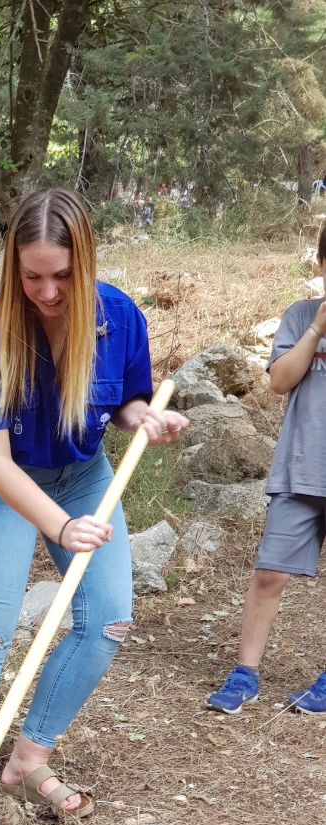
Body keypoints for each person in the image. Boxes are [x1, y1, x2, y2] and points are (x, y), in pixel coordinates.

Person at [0, 187, 188, 825]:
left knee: (107, 620)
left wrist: (144, 420)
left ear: (86, 261)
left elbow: (129, 399)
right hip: (6, 479)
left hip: (81, 472)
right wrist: (60, 526)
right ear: (13, 269)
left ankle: (28, 758)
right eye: (32, 275)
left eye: (63, 275)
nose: (47, 292)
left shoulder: (119, 317)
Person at [206, 227, 326, 716]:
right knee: (269, 573)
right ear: (320, 263)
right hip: (301, 469)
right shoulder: (299, 316)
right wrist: (317, 329)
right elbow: (279, 380)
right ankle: (244, 673)